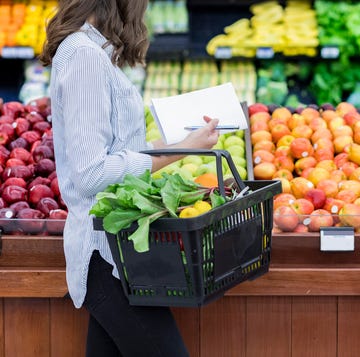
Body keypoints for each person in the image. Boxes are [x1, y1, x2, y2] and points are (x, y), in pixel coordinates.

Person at [39, 1, 219, 356]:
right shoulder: (84, 57)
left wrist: (181, 143)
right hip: (106, 257)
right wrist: (179, 152)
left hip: (120, 256)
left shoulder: (91, 52)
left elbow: (120, 149)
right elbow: (92, 173)